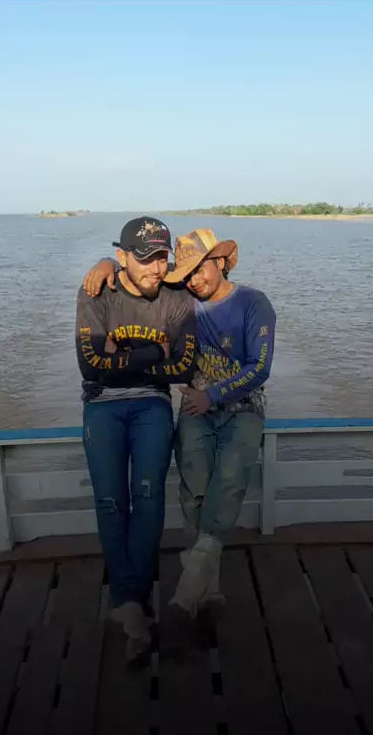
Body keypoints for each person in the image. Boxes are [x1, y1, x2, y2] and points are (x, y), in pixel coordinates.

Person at [83, 227, 276, 624]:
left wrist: (213, 395)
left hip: (243, 405)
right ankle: (208, 583)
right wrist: (104, 264)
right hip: (194, 404)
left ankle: (194, 581)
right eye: (186, 274)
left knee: (230, 479)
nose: (193, 280)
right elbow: (141, 270)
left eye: (200, 270)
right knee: (193, 488)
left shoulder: (253, 303)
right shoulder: (185, 298)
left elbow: (259, 367)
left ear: (220, 261)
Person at [76, 217, 196, 659]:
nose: (156, 268)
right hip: (101, 405)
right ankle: (130, 601)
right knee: (111, 501)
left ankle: (133, 601)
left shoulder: (177, 297)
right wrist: (155, 351)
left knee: (148, 498)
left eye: (163, 258)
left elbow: (184, 366)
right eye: (146, 259)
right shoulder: (96, 291)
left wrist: (121, 358)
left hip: (151, 405)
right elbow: (90, 365)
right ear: (122, 257)